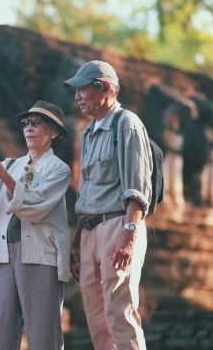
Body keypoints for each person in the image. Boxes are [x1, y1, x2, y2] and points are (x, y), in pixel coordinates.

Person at [0, 100, 71, 350]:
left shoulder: (59, 169)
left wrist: (0, 173)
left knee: (43, 336)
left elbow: (35, 207)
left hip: (40, 256)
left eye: (37, 123)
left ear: (53, 132)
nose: (29, 128)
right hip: (3, 255)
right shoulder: (10, 164)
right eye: (26, 123)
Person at [64, 60, 153, 350]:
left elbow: (137, 187)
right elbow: (87, 193)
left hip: (119, 225)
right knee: (96, 319)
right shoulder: (89, 133)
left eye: (82, 89)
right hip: (90, 230)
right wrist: (78, 241)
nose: (77, 96)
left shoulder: (126, 123)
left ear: (105, 89)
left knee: (119, 312)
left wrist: (129, 235)